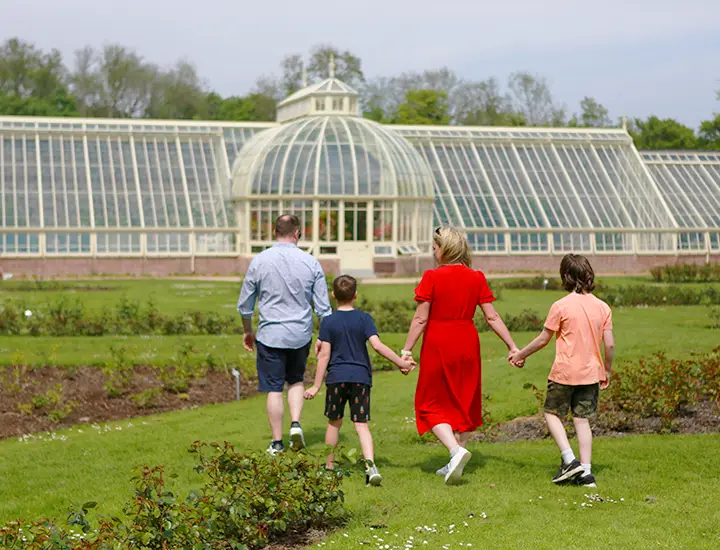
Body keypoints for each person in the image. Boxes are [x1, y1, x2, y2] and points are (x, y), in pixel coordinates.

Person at [401, 226, 521, 485]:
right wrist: (512, 346)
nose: (433, 253)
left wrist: (407, 350)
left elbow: (421, 319)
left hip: (439, 341)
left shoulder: (432, 276)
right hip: (467, 340)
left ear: (445, 249)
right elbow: (492, 316)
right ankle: (455, 460)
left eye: (434, 248)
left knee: (428, 403)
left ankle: (455, 451)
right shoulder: (476, 277)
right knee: (464, 398)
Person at [509, 254, 614, 488]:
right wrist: (606, 369)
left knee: (551, 413)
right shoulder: (602, 307)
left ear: (565, 277)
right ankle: (586, 473)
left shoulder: (561, 306)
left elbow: (543, 339)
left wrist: (520, 355)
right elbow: (610, 344)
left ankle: (569, 460)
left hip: (564, 373)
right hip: (591, 374)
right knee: (582, 419)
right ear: (589, 275)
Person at [304, 275, 415, 486]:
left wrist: (316, 385)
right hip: (360, 378)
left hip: (336, 379)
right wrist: (401, 362)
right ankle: (370, 466)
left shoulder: (328, 322)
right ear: (355, 295)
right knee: (361, 425)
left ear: (333, 295)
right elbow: (378, 346)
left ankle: (328, 467)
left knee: (334, 423)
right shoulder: (364, 319)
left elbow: (324, 356)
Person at [237, 214, 332, 455]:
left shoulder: (260, 261)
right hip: (300, 332)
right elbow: (323, 307)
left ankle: (277, 442)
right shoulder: (310, 262)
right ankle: (296, 424)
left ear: (275, 232)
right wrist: (324, 336)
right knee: (297, 380)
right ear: (297, 233)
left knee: (274, 388)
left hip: (270, 333)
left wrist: (248, 330)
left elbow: (246, 303)